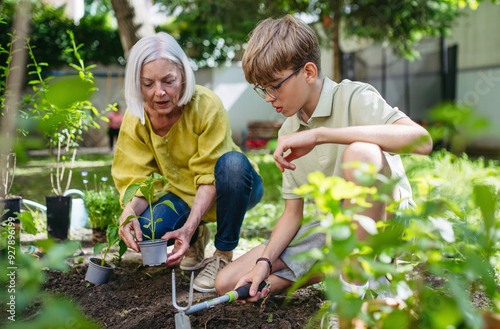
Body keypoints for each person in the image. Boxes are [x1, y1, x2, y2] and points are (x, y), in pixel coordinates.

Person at [215, 15, 433, 302]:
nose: (268, 97)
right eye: (262, 89)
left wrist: (321, 135)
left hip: (387, 222)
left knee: (361, 153)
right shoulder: (289, 130)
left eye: (274, 86)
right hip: (332, 230)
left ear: (308, 71)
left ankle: (352, 297)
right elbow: (293, 213)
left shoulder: (355, 96)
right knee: (228, 282)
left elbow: (421, 140)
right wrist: (265, 263)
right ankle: (338, 268)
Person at [112, 32, 263, 292]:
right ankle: (194, 236)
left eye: (168, 81)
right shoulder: (136, 118)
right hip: (180, 194)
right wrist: (128, 214)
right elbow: (137, 177)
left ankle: (222, 255)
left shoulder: (206, 105)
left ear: (183, 75)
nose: (159, 92)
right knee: (145, 231)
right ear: (136, 84)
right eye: (148, 83)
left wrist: (188, 225)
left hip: (230, 187)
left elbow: (210, 176)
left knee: (232, 164)